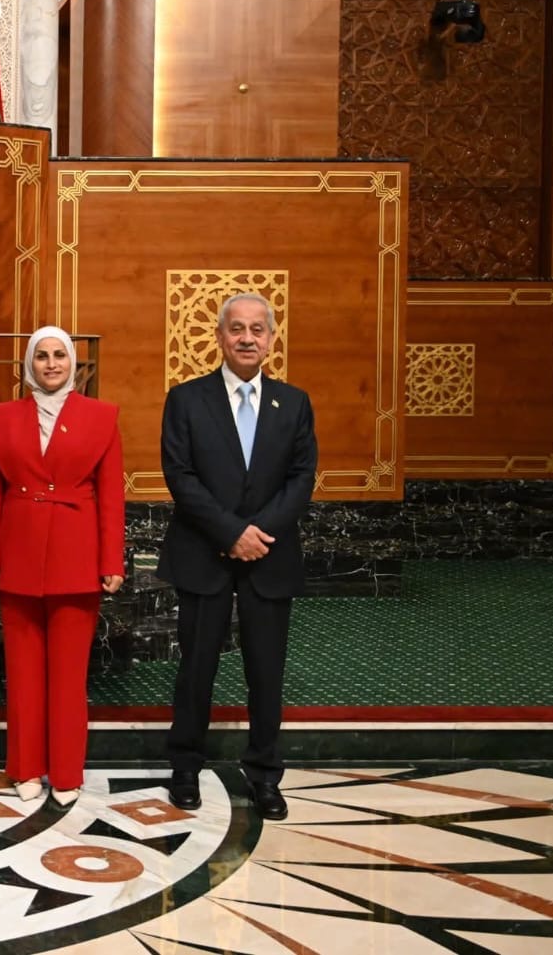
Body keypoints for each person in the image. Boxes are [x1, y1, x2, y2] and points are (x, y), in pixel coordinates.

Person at [160, 292, 317, 821]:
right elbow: (180, 476)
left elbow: (301, 480)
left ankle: (265, 773)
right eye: (236, 329)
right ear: (220, 337)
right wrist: (230, 533)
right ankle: (185, 766)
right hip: (204, 552)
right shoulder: (186, 399)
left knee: (266, 671)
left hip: (269, 556)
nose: (247, 338)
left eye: (258, 329)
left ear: (271, 339)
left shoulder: (293, 403)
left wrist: (256, 534)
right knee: (196, 667)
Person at [0, 326, 124, 808]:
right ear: (29, 363)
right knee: (21, 673)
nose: (52, 364)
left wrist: (111, 560)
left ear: (74, 364)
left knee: (68, 675)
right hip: (17, 553)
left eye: (61, 355)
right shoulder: (3, 416)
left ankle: (66, 771)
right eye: (42, 356)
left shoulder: (100, 416)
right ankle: (25, 768)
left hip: (76, 556)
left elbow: (111, 495)